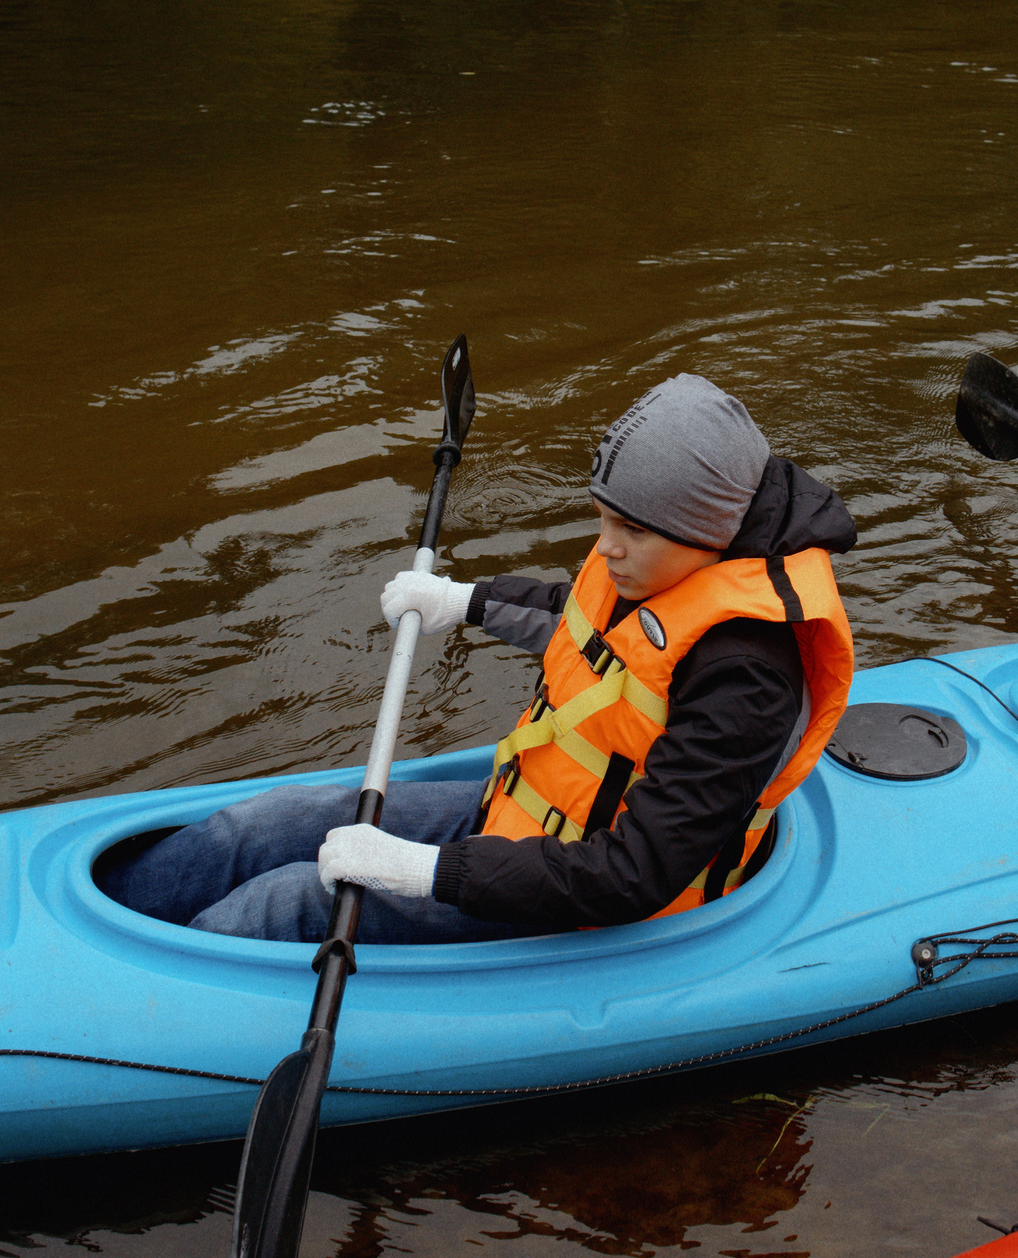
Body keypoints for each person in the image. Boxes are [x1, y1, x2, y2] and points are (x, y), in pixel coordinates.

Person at [100, 374, 858, 941]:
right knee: (269, 825)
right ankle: (109, 919)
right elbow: (586, 624)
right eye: (602, 518)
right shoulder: (675, 558)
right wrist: (462, 600)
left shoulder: (748, 679)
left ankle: (121, 1023)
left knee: (292, 901)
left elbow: (633, 874)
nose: (606, 546)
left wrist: (427, 872)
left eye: (629, 528)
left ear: (708, 530)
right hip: (517, 819)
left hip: (589, 898)